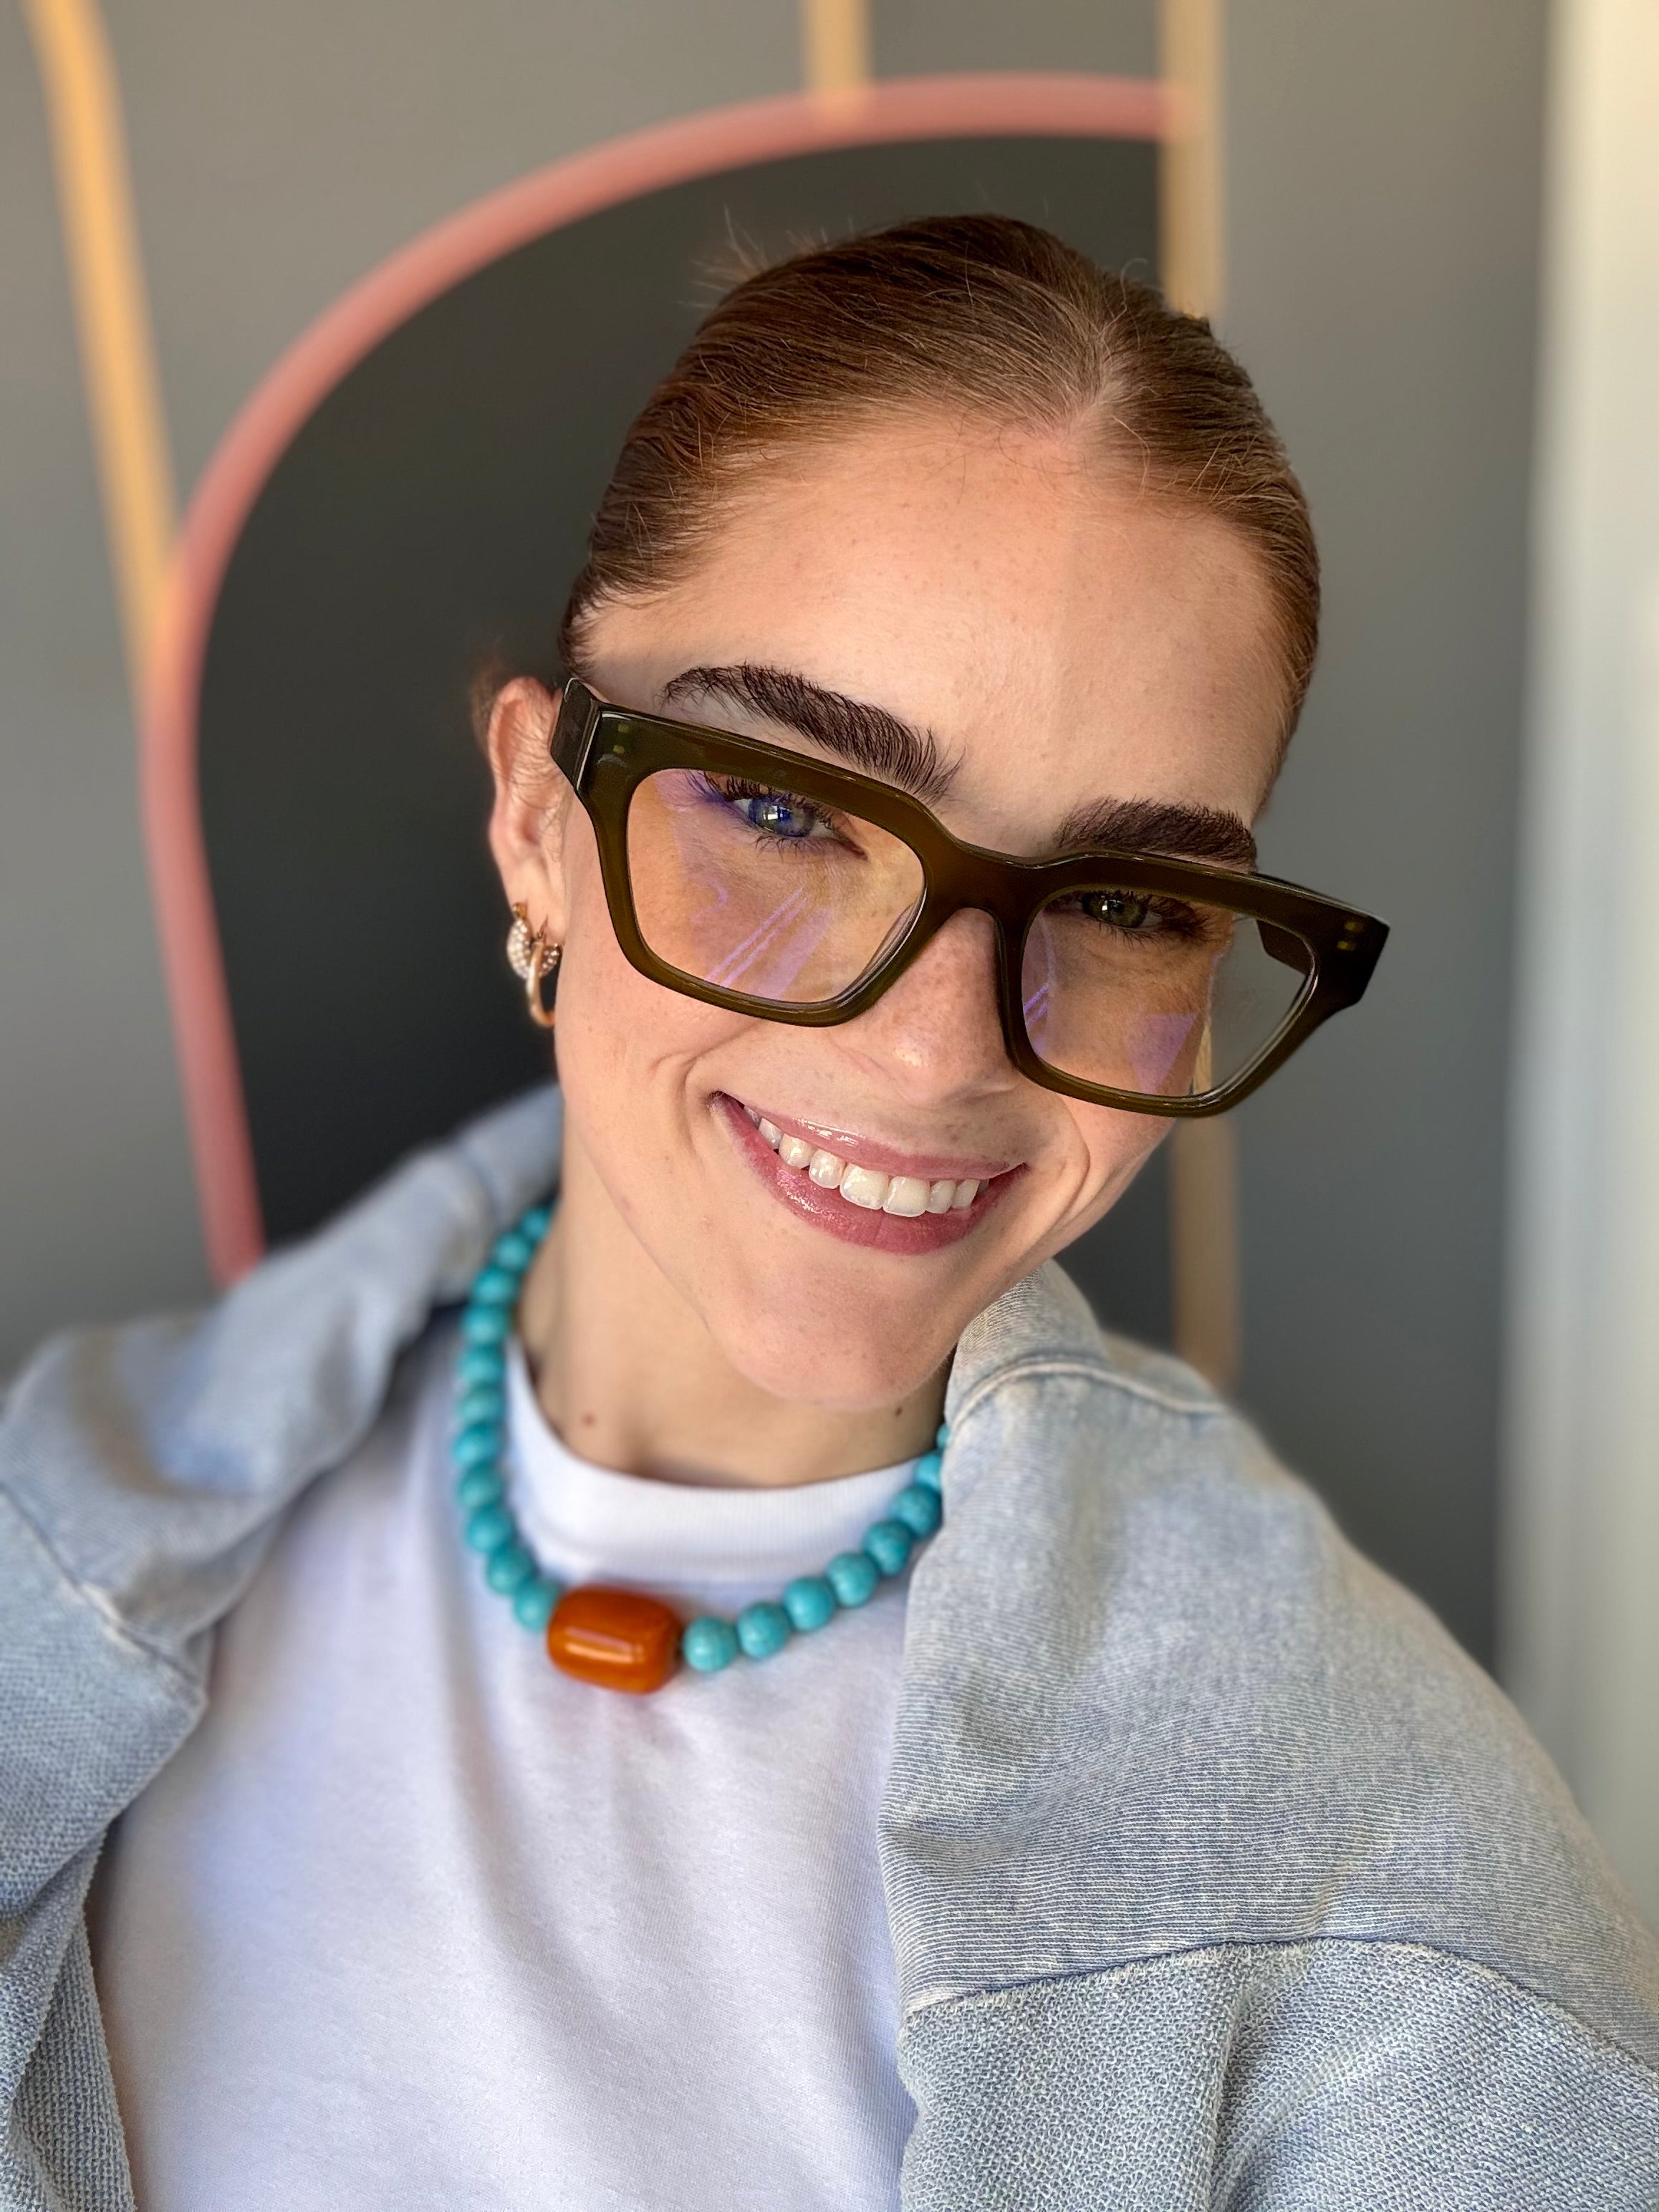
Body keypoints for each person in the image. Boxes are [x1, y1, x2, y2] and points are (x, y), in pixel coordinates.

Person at [3, 216, 1654, 2211]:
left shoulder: (1416, 1930)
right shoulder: (49, 1525)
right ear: (537, 817)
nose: (934, 1052)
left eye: (1128, 901)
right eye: (788, 807)